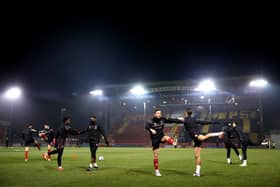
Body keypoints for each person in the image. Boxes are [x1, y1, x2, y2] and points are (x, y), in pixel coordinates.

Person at [181, 108, 223, 177]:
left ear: (186, 113)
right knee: (197, 156)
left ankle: (218, 133)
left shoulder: (186, 119)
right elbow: (202, 122)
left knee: (204, 137)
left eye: (184, 113)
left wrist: (195, 134)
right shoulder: (192, 119)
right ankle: (197, 172)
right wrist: (211, 122)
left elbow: (192, 127)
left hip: (197, 135)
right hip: (195, 138)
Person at [145, 108, 182, 176]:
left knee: (166, 137)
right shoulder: (150, 121)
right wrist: (151, 130)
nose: (159, 114)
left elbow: (170, 120)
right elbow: (146, 127)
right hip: (155, 139)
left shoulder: (162, 119)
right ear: (154, 114)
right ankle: (157, 171)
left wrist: (179, 119)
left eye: (160, 113)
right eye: (158, 113)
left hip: (161, 137)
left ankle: (174, 143)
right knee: (156, 155)